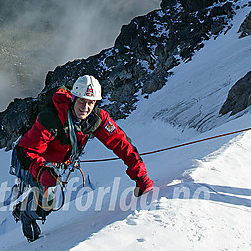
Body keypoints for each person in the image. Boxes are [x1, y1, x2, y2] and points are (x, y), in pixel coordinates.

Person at [10, 74, 154, 241]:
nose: (85, 107)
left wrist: (141, 176)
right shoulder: (50, 119)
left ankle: (31, 205)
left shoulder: (95, 119)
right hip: (29, 161)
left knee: (47, 197)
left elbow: (121, 144)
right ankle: (25, 214)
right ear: (73, 99)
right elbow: (26, 151)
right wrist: (42, 171)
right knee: (47, 203)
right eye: (82, 101)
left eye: (90, 103)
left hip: (53, 162)